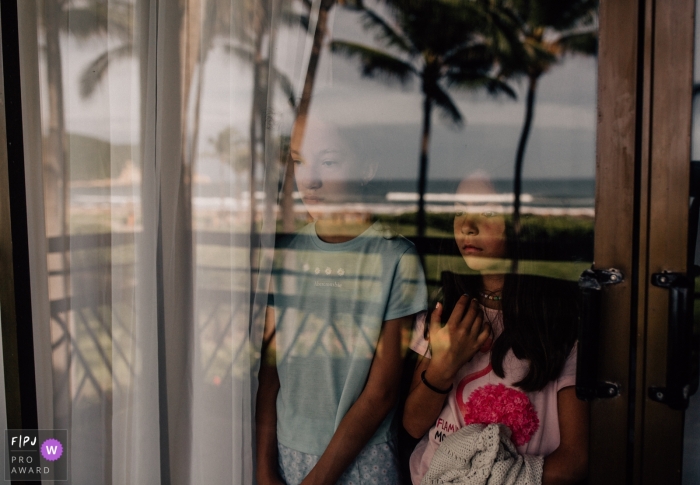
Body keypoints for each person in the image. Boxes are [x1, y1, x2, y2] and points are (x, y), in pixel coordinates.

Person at [256, 115, 428, 485]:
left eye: (329, 161)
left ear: (367, 167)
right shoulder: (285, 254)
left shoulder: (395, 258)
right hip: (286, 456)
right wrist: (264, 469)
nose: (310, 178)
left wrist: (317, 480)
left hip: (363, 461)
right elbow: (269, 375)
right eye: (299, 161)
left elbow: (381, 393)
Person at [403, 175, 589, 484]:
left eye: (488, 212)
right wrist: (444, 366)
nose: (467, 225)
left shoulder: (560, 326)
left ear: (521, 223)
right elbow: (412, 424)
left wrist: (496, 478)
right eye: (459, 211)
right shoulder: (445, 316)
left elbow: (576, 458)